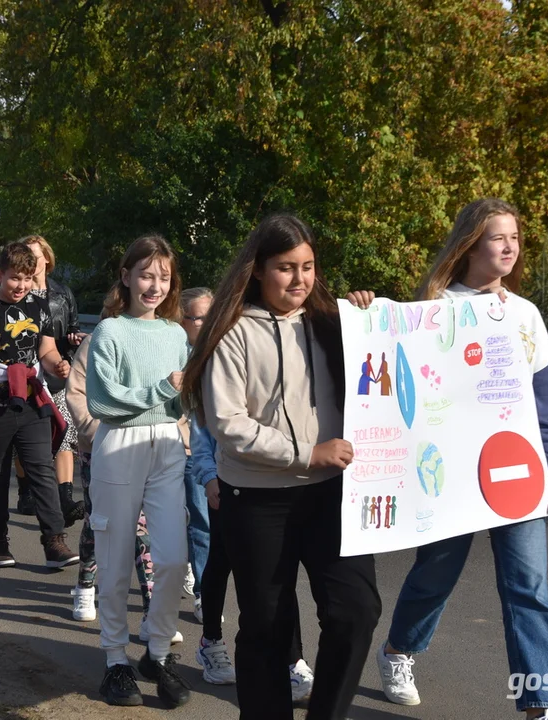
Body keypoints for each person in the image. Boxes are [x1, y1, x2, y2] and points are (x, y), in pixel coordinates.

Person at [347, 199, 548, 720]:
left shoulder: (525, 315)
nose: (510, 247)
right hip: (448, 474)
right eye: (499, 237)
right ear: (471, 242)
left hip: (517, 471)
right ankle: (399, 652)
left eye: (515, 237)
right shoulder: (433, 307)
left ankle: (541, 705)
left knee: (528, 587)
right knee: (436, 574)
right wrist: (364, 313)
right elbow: (389, 367)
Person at [181, 214, 381, 720]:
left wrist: (368, 319)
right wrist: (306, 452)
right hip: (256, 499)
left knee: (357, 610)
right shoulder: (231, 333)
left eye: (308, 267)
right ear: (258, 271)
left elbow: (383, 374)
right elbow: (229, 424)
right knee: (267, 625)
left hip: (332, 493)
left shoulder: (330, 324)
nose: (299, 279)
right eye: (286, 268)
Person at [84, 235, 191, 709]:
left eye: (164, 277)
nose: (155, 286)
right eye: (146, 275)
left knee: (172, 556)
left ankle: (159, 650)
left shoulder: (175, 334)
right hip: (120, 447)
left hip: (168, 443)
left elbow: (185, 398)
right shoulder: (110, 332)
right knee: (114, 554)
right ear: (125, 276)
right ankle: (114, 660)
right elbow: (104, 403)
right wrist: (162, 388)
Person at [0, 242, 78, 569]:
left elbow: (46, 350)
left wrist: (57, 366)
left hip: (31, 397)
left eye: (26, 278)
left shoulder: (39, 306)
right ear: (0, 274)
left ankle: (54, 541)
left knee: (41, 470)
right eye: (13, 279)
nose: (20, 286)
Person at [66, 334, 180, 646]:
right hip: (102, 449)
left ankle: (150, 612)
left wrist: (177, 435)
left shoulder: (161, 338)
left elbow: (178, 396)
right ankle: (86, 585)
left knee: (144, 527)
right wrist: (101, 432)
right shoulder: (97, 341)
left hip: (151, 449)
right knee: (98, 523)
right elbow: (76, 393)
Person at [16, 235, 85, 525]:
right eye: (26, 256)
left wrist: (71, 344)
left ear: (47, 258)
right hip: (25, 370)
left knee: (66, 432)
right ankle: (25, 491)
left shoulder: (62, 292)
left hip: (57, 369)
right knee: (26, 435)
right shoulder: (18, 290)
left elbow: (72, 327)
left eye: (35, 255)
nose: (32, 262)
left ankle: (65, 497)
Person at [178, 287, 212, 622]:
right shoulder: (171, 349)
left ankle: (204, 591)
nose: (207, 322)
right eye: (200, 317)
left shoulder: (220, 347)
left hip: (206, 451)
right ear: (182, 318)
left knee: (202, 521)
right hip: (170, 446)